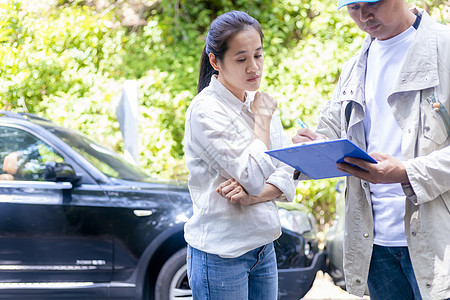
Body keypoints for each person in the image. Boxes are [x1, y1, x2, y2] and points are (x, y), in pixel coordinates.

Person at [292, 0, 450, 299]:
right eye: (353, 7)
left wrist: (406, 172)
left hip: (439, 241)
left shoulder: (445, 48)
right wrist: (314, 145)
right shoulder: (354, 66)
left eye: (372, 3)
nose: (364, 16)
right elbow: (333, 129)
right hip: (375, 243)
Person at [183, 10, 296, 300]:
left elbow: (287, 170)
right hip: (221, 255)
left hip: (263, 247)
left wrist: (253, 196)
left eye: (258, 55)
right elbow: (256, 176)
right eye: (241, 59)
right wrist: (262, 123)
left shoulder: (259, 103)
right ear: (214, 61)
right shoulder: (206, 111)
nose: (254, 68)